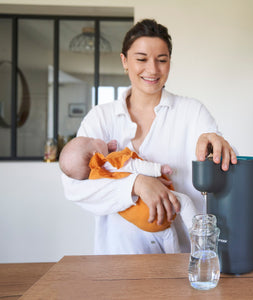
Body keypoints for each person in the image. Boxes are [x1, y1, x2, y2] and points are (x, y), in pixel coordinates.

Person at [61, 18, 237, 255]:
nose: (152, 69)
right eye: (141, 59)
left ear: (170, 63)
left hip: (183, 261)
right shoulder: (100, 118)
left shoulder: (192, 112)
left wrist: (218, 145)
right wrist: (135, 184)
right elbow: (74, 187)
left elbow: (221, 158)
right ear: (124, 61)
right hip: (118, 260)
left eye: (161, 60)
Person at [59, 136, 199, 253]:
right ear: (96, 153)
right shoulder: (113, 160)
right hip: (152, 207)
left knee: (167, 233)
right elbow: (134, 165)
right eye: (92, 139)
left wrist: (107, 148)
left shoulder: (97, 175)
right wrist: (159, 169)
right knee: (184, 202)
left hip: (146, 222)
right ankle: (200, 239)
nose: (95, 137)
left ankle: (175, 265)